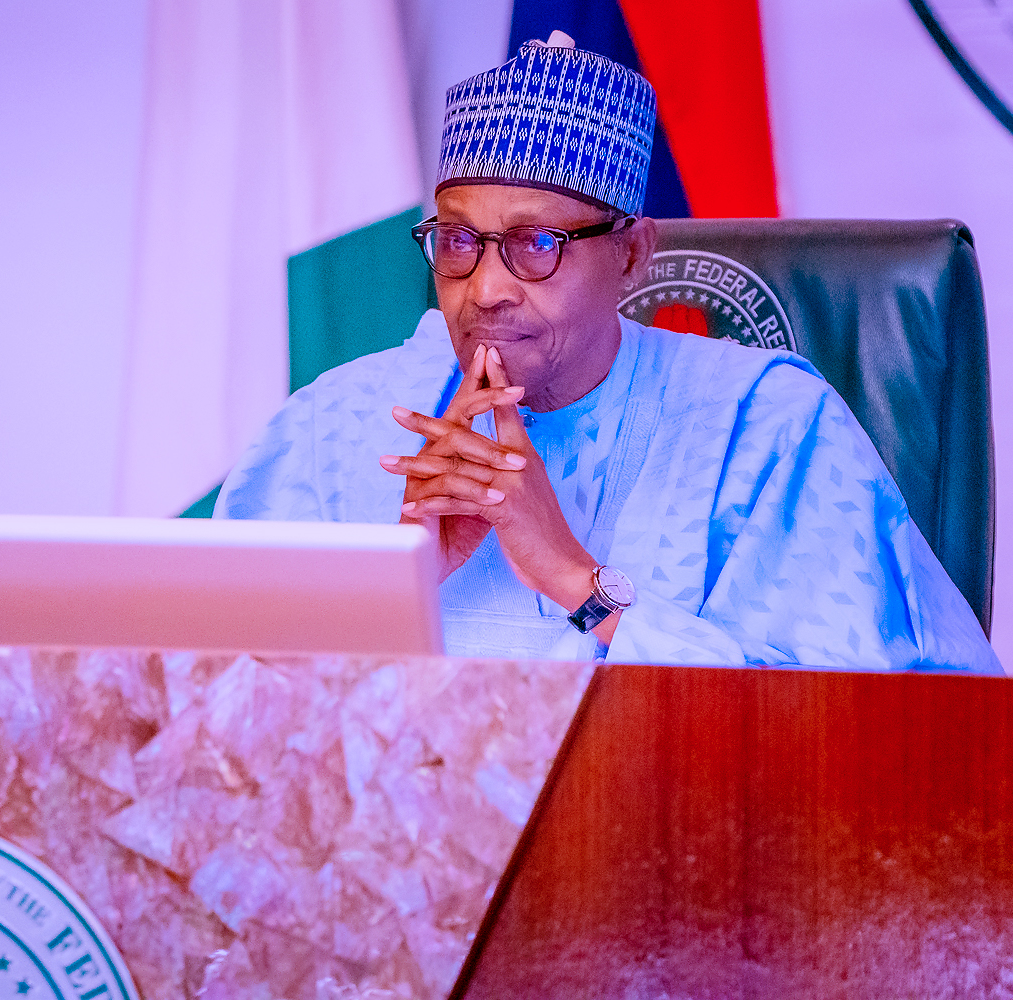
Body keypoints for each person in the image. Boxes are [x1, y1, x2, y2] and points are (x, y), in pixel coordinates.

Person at [215, 32, 1000, 673]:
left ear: (632, 254)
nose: (485, 289)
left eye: (536, 244)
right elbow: (209, 721)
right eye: (457, 242)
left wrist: (573, 577)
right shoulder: (332, 428)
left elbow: (865, 739)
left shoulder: (765, 428)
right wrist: (394, 584)